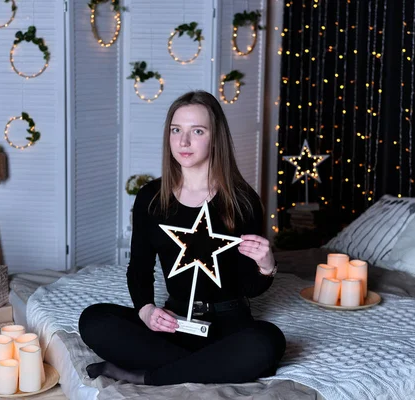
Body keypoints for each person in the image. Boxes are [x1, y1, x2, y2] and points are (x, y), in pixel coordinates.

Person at [79, 90, 285, 386]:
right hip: (173, 323)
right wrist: (147, 310)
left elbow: (249, 288)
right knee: (94, 320)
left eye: (197, 131)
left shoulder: (242, 201)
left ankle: (147, 375)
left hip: (228, 326)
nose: (183, 142)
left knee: (268, 342)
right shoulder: (151, 197)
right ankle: (209, 369)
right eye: (176, 130)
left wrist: (266, 265)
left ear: (216, 138)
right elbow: (139, 269)